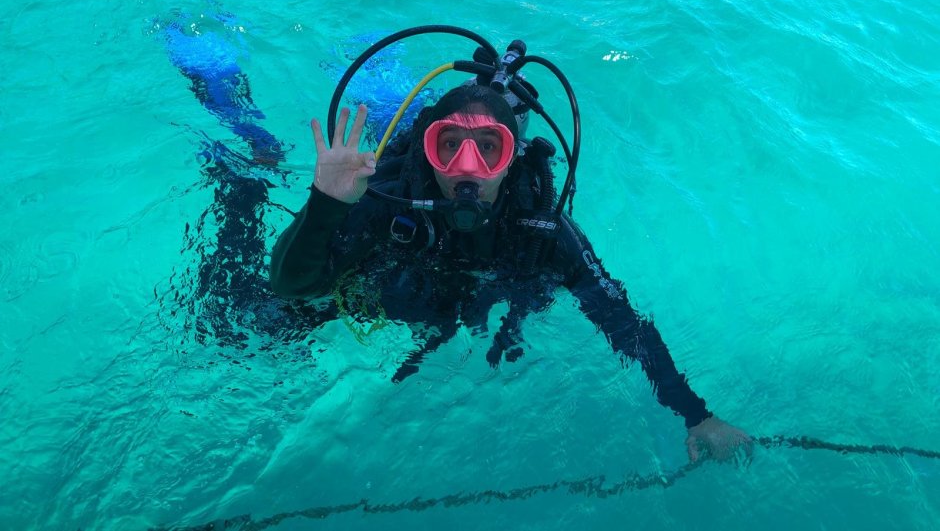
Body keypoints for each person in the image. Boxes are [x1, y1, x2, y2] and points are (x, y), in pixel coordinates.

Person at [270, 83, 753, 463]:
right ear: (428, 152)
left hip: (453, 296)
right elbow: (292, 288)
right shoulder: (390, 201)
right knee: (265, 321)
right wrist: (326, 203)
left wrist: (697, 415)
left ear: (511, 159)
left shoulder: (544, 232)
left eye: (489, 148)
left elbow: (622, 320)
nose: (467, 167)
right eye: (449, 145)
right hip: (405, 286)